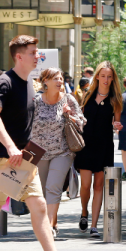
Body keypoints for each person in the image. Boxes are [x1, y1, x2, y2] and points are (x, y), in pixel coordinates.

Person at [0, 35, 84, 251]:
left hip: (22, 158)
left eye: (37, 52)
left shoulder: (28, 83)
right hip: (3, 158)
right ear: (19, 56)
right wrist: (11, 147)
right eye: (33, 52)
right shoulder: (5, 82)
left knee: (39, 205)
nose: (37, 56)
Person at [32, 68, 85, 237]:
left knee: (53, 188)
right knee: (42, 191)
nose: (59, 81)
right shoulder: (36, 101)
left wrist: (70, 116)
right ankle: (52, 223)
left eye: (61, 78)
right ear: (45, 81)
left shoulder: (68, 99)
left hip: (62, 151)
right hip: (38, 152)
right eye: (55, 78)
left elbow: (82, 121)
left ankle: (47, 228)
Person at [74, 61, 123, 238]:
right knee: (85, 185)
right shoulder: (87, 95)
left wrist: (117, 125)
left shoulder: (116, 99)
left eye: (109, 76)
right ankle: (84, 212)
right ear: (97, 76)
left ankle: (94, 226)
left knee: (99, 185)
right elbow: (79, 115)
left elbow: (116, 123)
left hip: (104, 145)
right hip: (86, 145)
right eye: (103, 76)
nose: (106, 79)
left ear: (113, 78)